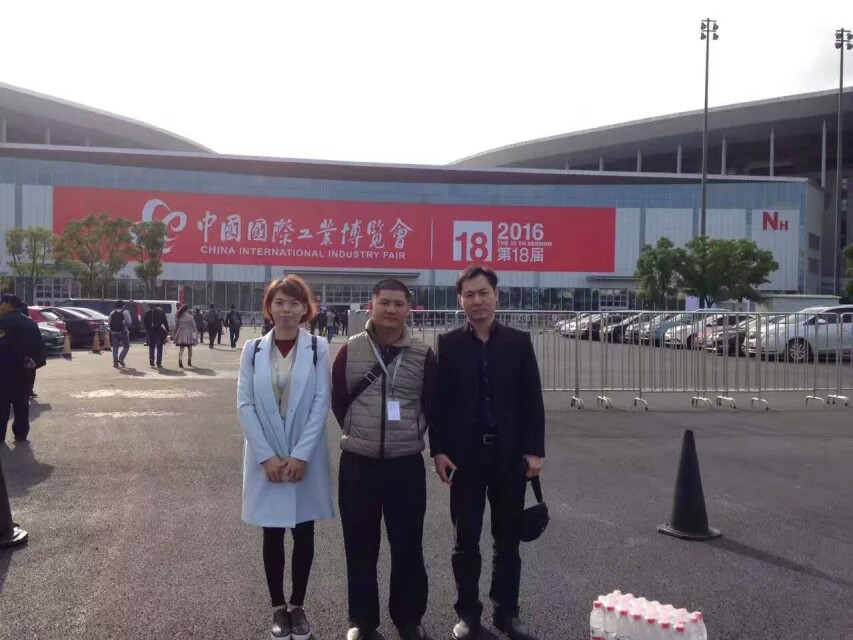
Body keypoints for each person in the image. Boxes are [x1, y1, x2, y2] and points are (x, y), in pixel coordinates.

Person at [432, 266, 545, 640]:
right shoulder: (449, 344)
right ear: (460, 300)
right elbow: (440, 404)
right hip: (465, 458)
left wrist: (534, 451)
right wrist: (438, 451)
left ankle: (507, 612)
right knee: (465, 540)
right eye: (469, 294)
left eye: (483, 293)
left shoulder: (518, 342)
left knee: (507, 539)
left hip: (509, 457)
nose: (477, 301)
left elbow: (532, 400)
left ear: (497, 295)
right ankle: (467, 613)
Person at [331, 279, 437, 640]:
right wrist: (355, 430)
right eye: (384, 302)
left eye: (398, 304)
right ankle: (362, 621)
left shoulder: (423, 355)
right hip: (358, 463)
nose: (391, 310)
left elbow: (431, 404)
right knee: (359, 545)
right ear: (370, 306)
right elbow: (338, 399)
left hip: (405, 464)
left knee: (407, 544)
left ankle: (409, 618)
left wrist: (411, 433)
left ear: (408, 309)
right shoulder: (350, 350)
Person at [238, 275, 334, 640]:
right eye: (279, 302)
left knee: (304, 531)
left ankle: (298, 606)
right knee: (273, 531)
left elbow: (320, 403)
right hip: (268, 457)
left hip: (302, 456)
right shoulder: (252, 350)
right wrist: (266, 457)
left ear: (305, 309)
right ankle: (278, 607)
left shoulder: (318, 348)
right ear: (269, 307)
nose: (287, 310)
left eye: (294, 303)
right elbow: (245, 405)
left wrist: (301, 455)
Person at [0, 293, 44, 442]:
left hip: (5, 371)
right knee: (22, 404)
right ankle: (21, 433)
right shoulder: (31, 323)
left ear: (9, 304)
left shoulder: (3, 321)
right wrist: (33, 363)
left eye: (1, 303)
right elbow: (40, 348)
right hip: (27, 372)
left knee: (2, 405)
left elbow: (3, 346)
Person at [142, 303, 170, 368]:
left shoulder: (147, 313)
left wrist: (147, 330)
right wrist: (167, 330)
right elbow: (165, 322)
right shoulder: (161, 312)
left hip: (150, 332)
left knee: (151, 347)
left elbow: (144, 322)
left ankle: (151, 360)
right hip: (159, 332)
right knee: (159, 347)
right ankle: (158, 363)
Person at [172, 304, 198, 368]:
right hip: (189, 334)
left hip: (181, 334)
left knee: (181, 348)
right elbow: (194, 326)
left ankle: (180, 360)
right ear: (187, 309)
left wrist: (175, 333)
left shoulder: (179, 316)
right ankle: (189, 361)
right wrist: (196, 333)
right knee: (190, 348)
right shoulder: (190, 317)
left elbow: (176, 326)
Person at [109, 299, 133, 368]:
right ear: (123, 306)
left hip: (114, 332)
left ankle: (115, 362)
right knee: (126, 346)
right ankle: (121, 358)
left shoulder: (112, 312)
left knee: (115, 347)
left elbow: (109, 322)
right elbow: (129, 322)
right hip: (123, 332)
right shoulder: (126, 312)